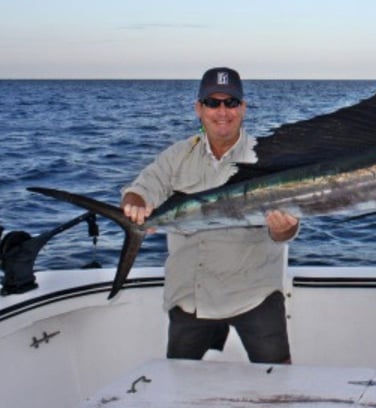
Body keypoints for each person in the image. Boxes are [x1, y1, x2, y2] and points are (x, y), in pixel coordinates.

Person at [121, 67, 300, 363]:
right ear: (199, 109)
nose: (222, 111)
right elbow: (141, 189)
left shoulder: (268, 157)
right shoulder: (177, 155)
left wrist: (283, 229)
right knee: (179, 383)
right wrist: (134, 205)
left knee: (278, 383)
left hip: (254, 294)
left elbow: (287, 231)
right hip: (191, 297)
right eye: (213, 103)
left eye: (230, 103)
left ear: (242, 108)